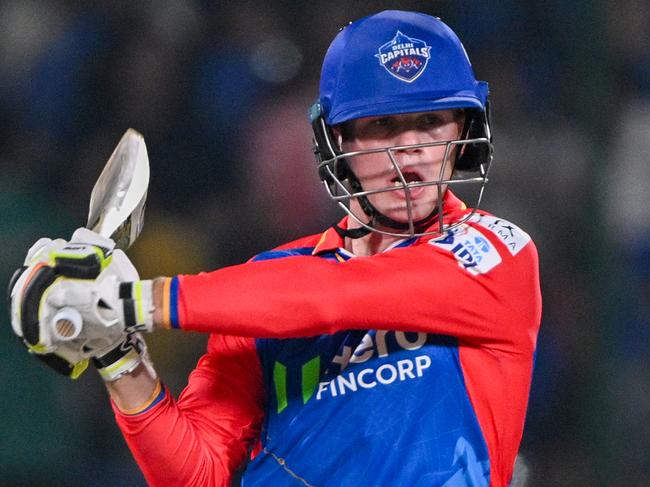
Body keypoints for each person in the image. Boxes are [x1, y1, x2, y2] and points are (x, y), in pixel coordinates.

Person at [9, 10, 541, 487]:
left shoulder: (496, 254)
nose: (411, 149)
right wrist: (115, 353)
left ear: (466, 130)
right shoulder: (264, 282)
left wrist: (130, 300)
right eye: (382, 124)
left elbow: (335, 297)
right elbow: (197, 474)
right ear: (337, 141)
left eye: (431, 121)